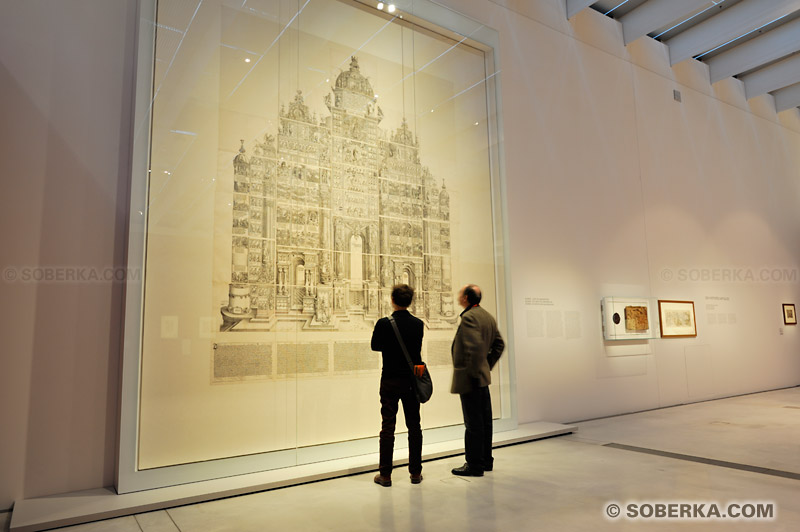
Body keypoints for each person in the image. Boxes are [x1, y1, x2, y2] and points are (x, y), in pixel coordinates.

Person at [370, 284, 424, 486]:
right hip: (411, 381)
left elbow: (375, 346)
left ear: (392, 300)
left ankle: (385, 475)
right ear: (410, 301)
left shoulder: (384, 324)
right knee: (414, 426)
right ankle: (415, 473)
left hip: (390, 379)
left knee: (387, 427)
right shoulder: (418, 324)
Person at [450, 284, 505, 477]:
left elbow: (472, 348)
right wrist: (486, 366)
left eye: (460, 293)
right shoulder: (487, 316)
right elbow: (499, 345)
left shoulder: (469, 318)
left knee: (473, 424)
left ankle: (474, 465)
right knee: (484, 422)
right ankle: (486, 461)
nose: (458, 296)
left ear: (466, 298)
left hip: (471, 379)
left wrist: (474, 372)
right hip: (481, 378)